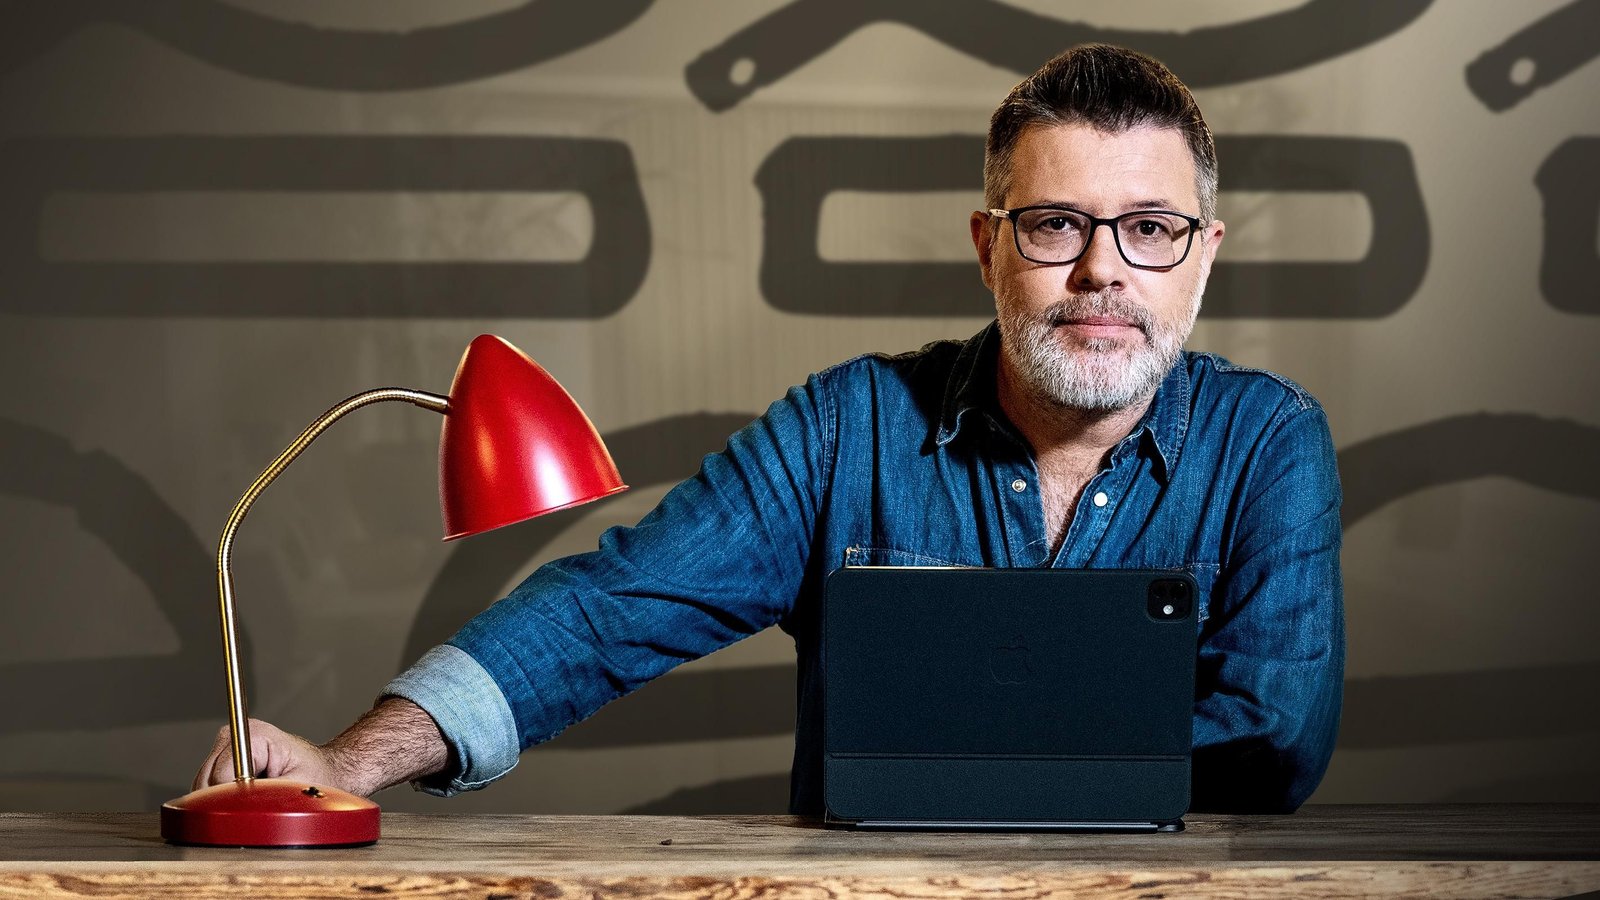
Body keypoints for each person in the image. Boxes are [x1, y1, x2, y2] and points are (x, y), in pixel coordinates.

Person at [192, 44, 1343, 814]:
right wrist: (346, 762)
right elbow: (606, 612)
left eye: (1150, 227)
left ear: (1202, 255)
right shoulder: (845, 430)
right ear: (988, 246)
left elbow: (1272, 740)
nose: (1102, 270)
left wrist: (939, 757)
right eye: (1054, 225)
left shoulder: (1269, 442)